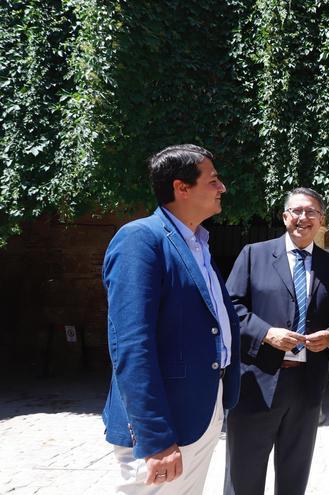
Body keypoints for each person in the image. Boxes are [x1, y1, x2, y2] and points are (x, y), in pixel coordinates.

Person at [101, 144, 241, 493]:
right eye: (213, 180)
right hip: (164, 428)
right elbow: (131, 345)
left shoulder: (199, 244)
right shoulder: (140, 239)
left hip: (202, 412)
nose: (222, 187)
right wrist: (155, 437)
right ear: (182, 188)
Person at [224, 187, 329, 495]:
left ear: (321, 220)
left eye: (311, 212)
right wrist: (267, 333)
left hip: (306, 389)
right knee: (243, 477)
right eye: (297, 211)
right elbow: (231, 308)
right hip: (256, 384)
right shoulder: (253, 255)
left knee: (294, 478)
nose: (303, 218)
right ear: (285, 217)